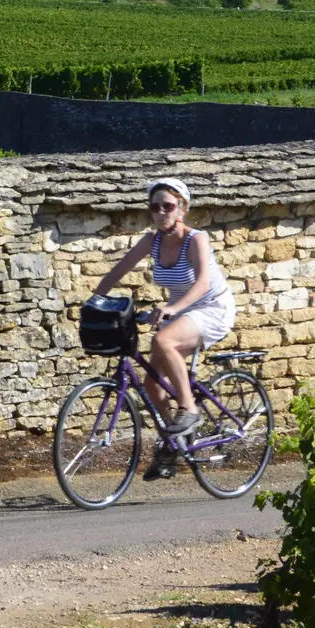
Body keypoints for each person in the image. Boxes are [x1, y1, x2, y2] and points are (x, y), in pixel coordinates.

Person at [91, 177, 237, 479]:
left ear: (182, 209)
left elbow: (203, 283)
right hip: (182, 312)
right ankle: (174, 443)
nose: (161, 212)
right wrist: (94, 301)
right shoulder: (152, 241)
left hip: (212, 308)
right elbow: (119, 269)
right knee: (152, 385)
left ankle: (190, 410)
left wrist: (171, 308)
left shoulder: (196, 239)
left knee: (164, 340)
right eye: (155, 207)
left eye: (168, 206)